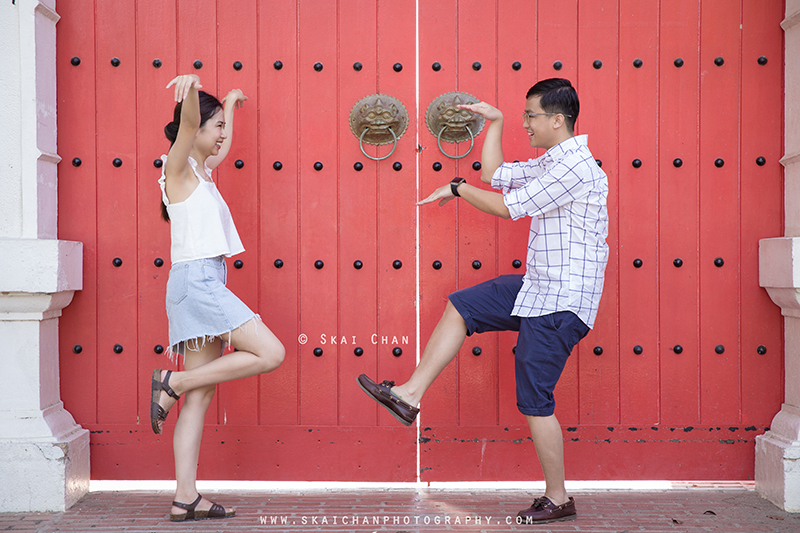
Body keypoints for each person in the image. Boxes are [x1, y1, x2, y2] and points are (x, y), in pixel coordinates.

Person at [358, 78, 608, 524]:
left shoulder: (575, 167)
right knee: (464, 305)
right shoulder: (554, 160)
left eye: (531, 115)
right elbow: (494, 177)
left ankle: (558, 498)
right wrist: (496, 123)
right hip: (539, 288)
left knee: (535, 399)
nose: (527, 123)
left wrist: (456, 189)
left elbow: (509, 207)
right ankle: (409, 395)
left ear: (557, 119)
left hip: (561, 300)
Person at [150, 74, 285, 521]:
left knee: (201, 394)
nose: (222, 135)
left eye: (224, 127)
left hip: (201, 281)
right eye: (217, 127)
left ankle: (184, 497)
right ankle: (171, 383)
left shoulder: (202, 171)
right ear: (195, 129)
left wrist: (228, 104)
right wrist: (192, 89)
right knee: (271, 352)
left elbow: (216, 145)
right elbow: (190, 125)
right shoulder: (176, 167)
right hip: (197, 283)